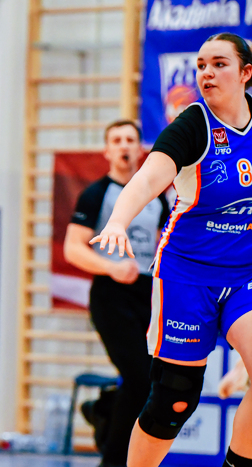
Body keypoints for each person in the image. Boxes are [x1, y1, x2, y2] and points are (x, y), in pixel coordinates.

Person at [92, 33, 252, 467]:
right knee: (174, 400)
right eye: (200, 65)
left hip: (244, 276)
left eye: (218, 64)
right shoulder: (192, 125)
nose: (206, 73)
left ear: (245, 73)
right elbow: (147, 178)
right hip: (187, 274)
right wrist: (117, 221)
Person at [63, 120, 169, 467]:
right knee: (138, 378)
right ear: (107, 151)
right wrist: (111, 267)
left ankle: (104, 409)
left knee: (151, 381)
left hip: (147, 294)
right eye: (117, 140)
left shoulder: (156, 196)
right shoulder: (96, 194)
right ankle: (112, 460)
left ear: (140, 149)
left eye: (130, 140)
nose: (124, 145)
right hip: (111, 295)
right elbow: (72, 248)